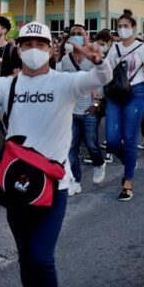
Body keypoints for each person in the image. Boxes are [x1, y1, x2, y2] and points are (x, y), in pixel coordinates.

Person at [0, 21, 112, 287]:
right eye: (28, 44)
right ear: (18, 50)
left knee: (42, 257)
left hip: (53, 186)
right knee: (26, 257)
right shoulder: (8, 84)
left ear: (50, 49)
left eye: (41, 45)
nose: (34, 50)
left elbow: (99, 80)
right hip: (17, 185)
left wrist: (99, 60)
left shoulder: (64, 82)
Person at [105, 15, 144, 201]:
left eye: (126, 25)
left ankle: (127, 183)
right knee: (112, 140)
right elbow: (105, 72)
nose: (122, 28)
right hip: (116, 94)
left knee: (130, 137)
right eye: (119, 26)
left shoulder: (143, 48)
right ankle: (128, 161)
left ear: (133, 27)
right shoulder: (113, 49)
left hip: (136, 94)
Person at [58, 24, 107, 195]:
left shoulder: (91, 58)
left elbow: (100, 81)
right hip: (71, 110)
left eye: (80, 33)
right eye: (74, 33)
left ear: (87, 36)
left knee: (92, 144)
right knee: (71, 147)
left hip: (89, 109)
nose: (77, 36)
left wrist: (95, 105)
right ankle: (75, 181)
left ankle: (99, 162)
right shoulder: (65, 60)